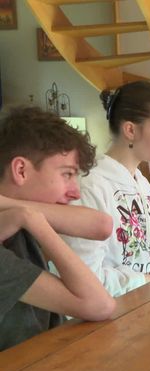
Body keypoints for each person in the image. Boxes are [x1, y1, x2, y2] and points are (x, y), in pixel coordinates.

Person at [0, 106, 115, 351]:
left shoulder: (15, 219)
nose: (75, 192)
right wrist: (30, 217)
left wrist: (16, 208)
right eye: (67, 174)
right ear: (21, 170)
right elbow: (99, 305)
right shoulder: (23, 223)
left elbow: (101, 225)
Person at [63, 81, 150, 297]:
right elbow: (86, 279)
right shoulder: (90, 186)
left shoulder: (141, 183)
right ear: (131, 130)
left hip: (149, 301)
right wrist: (147, 281)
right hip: (111, 315)